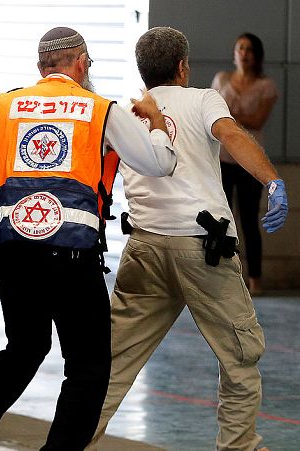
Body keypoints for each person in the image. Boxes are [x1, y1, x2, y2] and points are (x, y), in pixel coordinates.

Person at [0, 26, 178, 451]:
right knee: (88, 366)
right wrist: (157, 121)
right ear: (83, 63)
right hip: (70, 253)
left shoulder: (8, 104)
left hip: (10, 251)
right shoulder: (99, 108)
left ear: (40, 68)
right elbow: (159, 163)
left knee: (24, 348)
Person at [90, 27, 288, 451]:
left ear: (143, 71)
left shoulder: (123, 113)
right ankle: (239, 446)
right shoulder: (203, 99)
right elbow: (232, 137)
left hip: (144, 248)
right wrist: (272, 181)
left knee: (112, 362)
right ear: (182, 67)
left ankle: (72, 441)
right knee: (239, 355)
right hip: (204, 250)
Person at [211, 33, 278, 295]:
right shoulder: (221, 79)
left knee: (250, 220)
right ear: (234, 52)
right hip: (223, 158)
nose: (244, 53)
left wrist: (230, 113)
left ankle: (255, 280)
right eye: (240, 47)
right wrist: (236, 116)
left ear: (256, 54)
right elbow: (214, 119)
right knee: (221, 218)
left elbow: (258, 120)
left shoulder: (266, 86)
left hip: (250, 162)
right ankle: (220, 276)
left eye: (249, 49)